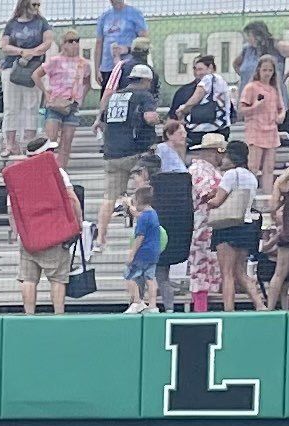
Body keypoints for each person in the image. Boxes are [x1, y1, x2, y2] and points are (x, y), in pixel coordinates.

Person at [11, 137, 79, 314]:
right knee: (57, 278)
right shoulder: (58, 172)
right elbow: (72, 199)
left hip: (28, 236)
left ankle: (29, 315)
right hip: (55, 233)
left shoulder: (18, 174)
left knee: (28, 278)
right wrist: (77, 224)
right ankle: (58, 315)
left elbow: (11, 208)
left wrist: (17, 232)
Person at [97, 63, 161, 238]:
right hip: (136, 153)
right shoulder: (144, 95)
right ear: (147, 80)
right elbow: (149, 117)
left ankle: (101, 238)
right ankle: (143, 231)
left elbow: (102, 121)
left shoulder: (114, 97)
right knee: (143, 191)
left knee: (109, 198)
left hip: (112, 153)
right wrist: (157, 119)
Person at [211, 138, 268, 311]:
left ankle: (228, 310)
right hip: (247, 225)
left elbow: (218, 201)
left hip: (228, 226)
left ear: (231, 156)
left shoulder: (230, 175)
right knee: (240, 271)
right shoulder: (251, 176)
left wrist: (207, 199)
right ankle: (259, 304)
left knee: (227, 273)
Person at [0, 1, 52, 157]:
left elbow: (47, 41)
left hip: (33, 68)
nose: (36, 8)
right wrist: (22, 51)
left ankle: (29, 142)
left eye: (38, 5)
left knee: (31, 106)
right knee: (11, 107)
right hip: (13, 67)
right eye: (33, 4)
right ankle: (9, 143)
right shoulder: (12, 24)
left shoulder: (41, 22)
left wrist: (34, 52)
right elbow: (5, 46)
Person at [183, 129, 224, 310]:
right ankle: (200, 309)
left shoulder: (211, 170)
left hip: (212, 224)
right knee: (200, 269)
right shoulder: (198, 169)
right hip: (202, 225)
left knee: (210, 268)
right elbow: (207, 194)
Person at [240, 56, 289, 183]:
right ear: (258, 71)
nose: (267, 73)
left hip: (271, 130)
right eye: (264, 70)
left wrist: (281, 115)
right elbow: (242, 110)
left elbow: (281, 107)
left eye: (270, 71)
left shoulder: (274, 89)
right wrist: (255, 106)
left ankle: (268, 196)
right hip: (255, 129)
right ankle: (251, 194)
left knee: (269, 168)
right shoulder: (251, 87)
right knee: (254, 166)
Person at [172, 54, 234, 147]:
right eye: (196, 69)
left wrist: (182, 110)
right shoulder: (221, 81)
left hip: (206, 129)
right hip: (222, 128)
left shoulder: (208, 78)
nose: (198, 73)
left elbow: (195, 98)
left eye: (200, 69)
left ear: (210, 67)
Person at [122, 186, 163, 310]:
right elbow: (141, 216)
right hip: (153, 253)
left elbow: (140, 237)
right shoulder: (152, 213)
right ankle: (152, 305)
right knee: (150, 278)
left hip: (142, 252)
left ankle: (137, 301)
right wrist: (131, 207)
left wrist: (132, 254)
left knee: (130, 276)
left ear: (139, 200)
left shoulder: (143, 218)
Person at [95, 0, 150, 85]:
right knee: (107, 96)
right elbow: (99, 43)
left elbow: (144, 40)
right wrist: (97, 69)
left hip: (128, 67)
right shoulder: (104, 16)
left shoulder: (134, 13)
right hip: (107, 68)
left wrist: (127, 49)